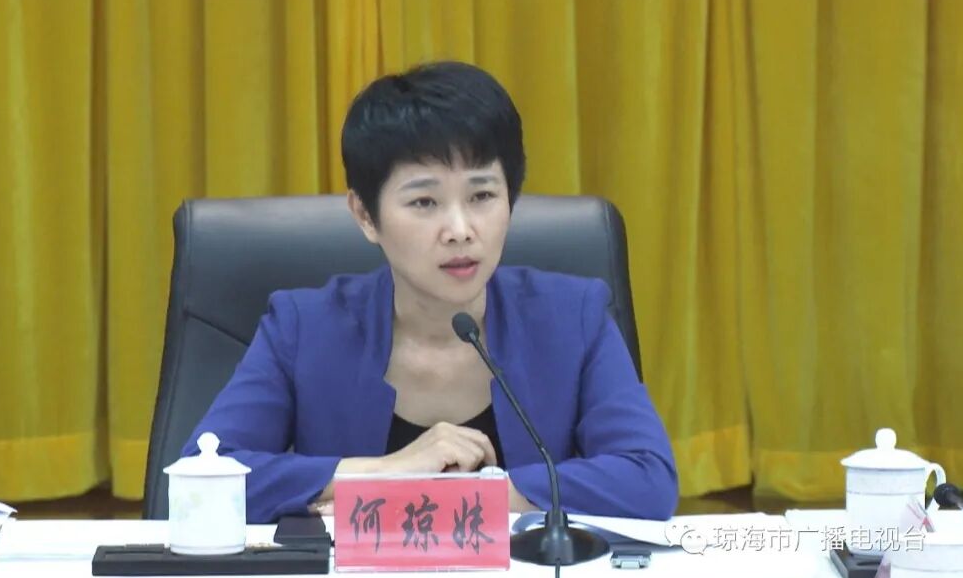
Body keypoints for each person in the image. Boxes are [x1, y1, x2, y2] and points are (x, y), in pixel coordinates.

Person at [182, 61, 678, 524]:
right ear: (365, 215)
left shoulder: (574, 317)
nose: (460, 230)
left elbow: (648, 480)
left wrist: (462, 497)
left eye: (482, 195)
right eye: (424, 202)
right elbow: (197, 482)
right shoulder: (303, 327)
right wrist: (387, 471)